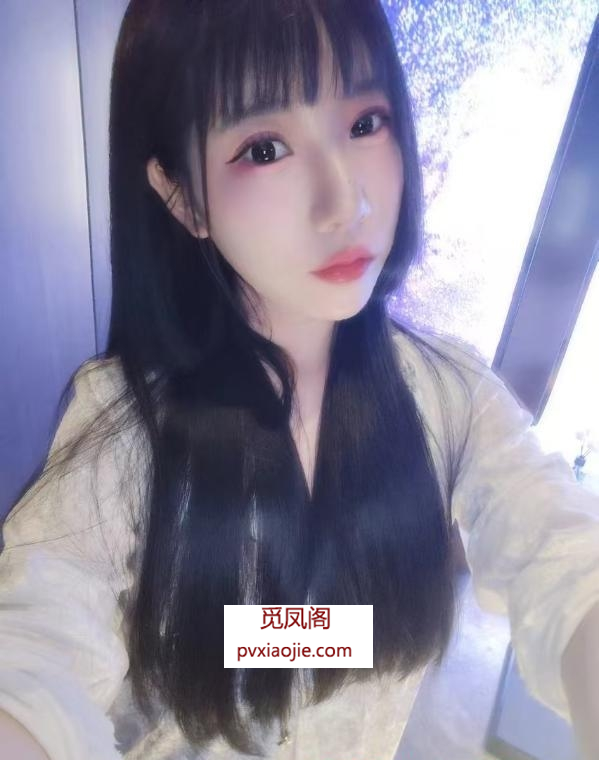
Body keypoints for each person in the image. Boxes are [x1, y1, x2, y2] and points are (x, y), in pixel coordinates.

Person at [1, 1, 598, 759]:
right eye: (265, 148)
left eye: (364, 123)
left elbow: (563, 551)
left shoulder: (449, 398)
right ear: (182, 195)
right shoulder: (127, 427)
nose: (345, 202)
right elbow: (34, 649)